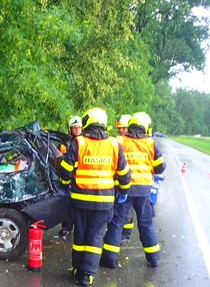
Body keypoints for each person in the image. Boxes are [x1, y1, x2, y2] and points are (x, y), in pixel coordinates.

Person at [58, 107, 131, 286]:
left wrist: (63, 183)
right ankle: (87, 275)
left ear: (87, 122)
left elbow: (66, 171)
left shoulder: (79, 142)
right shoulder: (114, 144)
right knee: (96, 237)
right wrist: (124, 191)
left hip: (80, 200)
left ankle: (77, 269)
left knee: (80, 236)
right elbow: (125, 174)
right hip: (104, 202)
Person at [100, 112, 166, 269]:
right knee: (146, 224)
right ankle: (154, 258)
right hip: (144, 191)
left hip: (124, 189)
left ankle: (109, 259)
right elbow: (160, 167)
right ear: (145, 127)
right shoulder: (150, 143)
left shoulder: (120, 141)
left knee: (116, 223)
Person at [58, 115, 83, 237]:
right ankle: (66, 227)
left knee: (78, 209)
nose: (77, 130)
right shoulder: (65, 144)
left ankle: (78, 228)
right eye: (74, 128)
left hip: (81, 180)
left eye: (79, 127)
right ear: (70, 129)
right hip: (68, 179)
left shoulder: (86, 143)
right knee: (66, 206)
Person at [115, 114, 135, 244]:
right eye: (120, 128)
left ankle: (125, 235)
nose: (121, 130)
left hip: (130, 182)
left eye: (124, 128)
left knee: (127, 211)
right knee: (118, 210)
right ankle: (117, 233)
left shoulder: (134, 142)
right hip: (118, 182)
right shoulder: (118, 141)